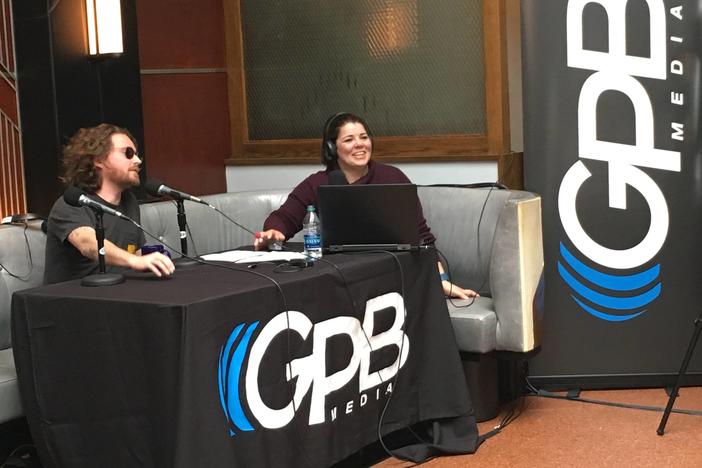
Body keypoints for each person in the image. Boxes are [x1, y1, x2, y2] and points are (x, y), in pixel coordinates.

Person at [254, 112, 478, 299]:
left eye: (364, 137)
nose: (359, 144)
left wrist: (441, 281)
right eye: (349, 139)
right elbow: (284, 218)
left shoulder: (393, 177)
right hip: (340, 278)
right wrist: (273, 232)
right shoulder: (318, 183)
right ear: (332, 148)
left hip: (390, 273)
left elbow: (421, 237)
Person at [44, 123, 175, 284]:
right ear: (98, 160)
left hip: (116, 292)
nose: (138, 160)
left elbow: (132, 253)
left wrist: (154, 260)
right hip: (73, 299)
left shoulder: (129, 201)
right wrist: (135, 261)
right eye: (128, 153)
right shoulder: (71, 203)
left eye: (137, 154)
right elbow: (89, 244)